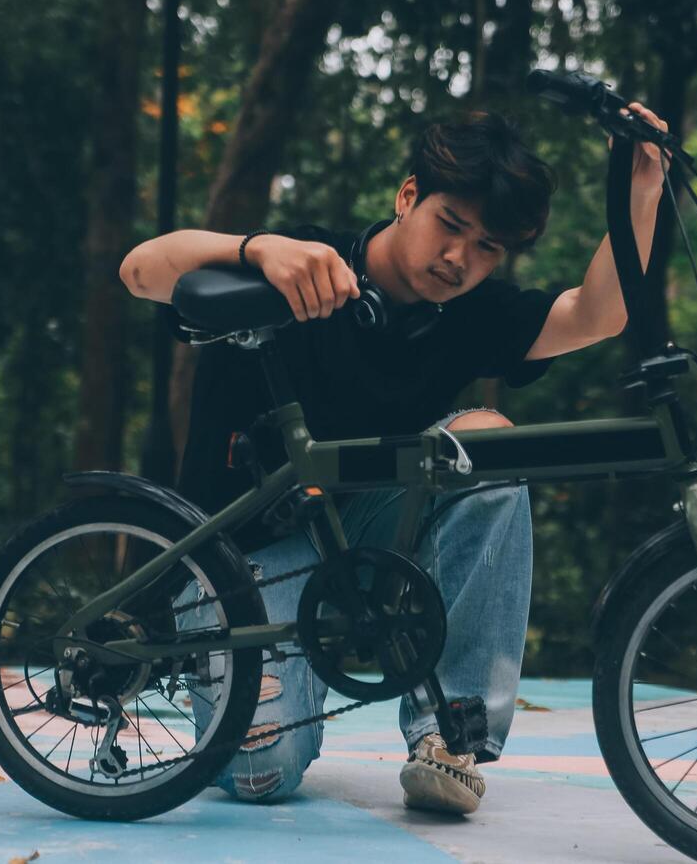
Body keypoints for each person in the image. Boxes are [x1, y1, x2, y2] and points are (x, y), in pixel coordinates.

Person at [119, 103, 668, 814]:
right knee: (263, 775)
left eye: (487, 247)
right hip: (244, 551)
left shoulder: (471, 313)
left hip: (369, 543)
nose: (459, 259)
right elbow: (139, 271)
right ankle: (247, 678)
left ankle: (450, 736)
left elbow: (598, 315)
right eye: (451, 225)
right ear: (408, 197)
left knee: (493, 446)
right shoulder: (301, 263)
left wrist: (643, 193)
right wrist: (257, 248)